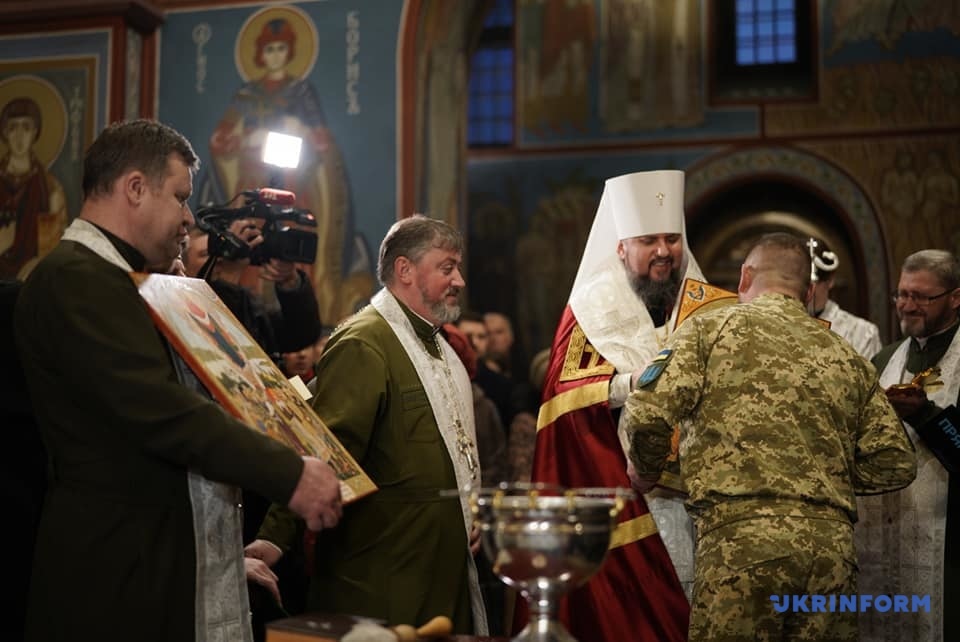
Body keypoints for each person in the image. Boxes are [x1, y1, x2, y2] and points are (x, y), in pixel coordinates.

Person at [13, 118, 343, 642]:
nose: (190, 216)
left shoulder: (132, 280)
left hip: (154, 554)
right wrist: (290, 473)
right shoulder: (76, 279)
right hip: (116, 569)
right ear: (135, 189)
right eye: (181, 197)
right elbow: (162, 412)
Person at [622, 232, 917, 641]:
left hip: (740, 547)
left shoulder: (709, 330)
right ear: (808, 290)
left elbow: (646, 410)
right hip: (830, 555)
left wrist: (646, 470)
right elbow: (896, 462)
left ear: (745, 277)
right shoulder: (846, 355)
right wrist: (822, 477)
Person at [249, 215, 488, 634]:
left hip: (440, 565)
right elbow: (327, 449)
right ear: (404, 270)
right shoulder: (365, 341)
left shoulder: (440, 345)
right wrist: (274, 537)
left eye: (458, 268)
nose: (460, 281)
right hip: (385, 571)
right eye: (447, 267)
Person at [527, 170, 701, 642]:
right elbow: (564, 400)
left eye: (672, 238)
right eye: (649, 240)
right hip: (629, 499)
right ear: (622, 246)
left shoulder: (702, 305)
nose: (664, 251)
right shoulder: (592, 307)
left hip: (701, 505)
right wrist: (631, 383)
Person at [208, 16, 371, 324]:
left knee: (286, 233)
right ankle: (245, 296)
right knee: (251, 232)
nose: (275, 55)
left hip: (296, 182)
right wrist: (247, 138)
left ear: (291, 51)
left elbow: (322, 139)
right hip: (251, 174)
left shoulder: (301, 92)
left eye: (282, 48)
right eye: (269, 49)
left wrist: (300, 130)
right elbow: (221, 138)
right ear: (260, 54)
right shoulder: (248, 93)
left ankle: (289, 289)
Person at [857, 249, 960, 641]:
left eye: (921, 296)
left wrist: (925, 416)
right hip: (881, 540)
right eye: (902, 294)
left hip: (947, 542)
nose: (907, 305)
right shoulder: (883, 361)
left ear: (955, 298)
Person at [0, 96, 68, 279]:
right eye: (13, 128)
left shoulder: (49, 188)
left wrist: (30, 270)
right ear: (5, 133)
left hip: (30, 282)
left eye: (26, 127)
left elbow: (51, 250)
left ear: (35, 133)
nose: (19, 136)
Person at [807, 236, 882, 358]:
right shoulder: (781, 325)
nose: (806, 292)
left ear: (830, 280)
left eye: (812, 284)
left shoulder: (862, 333)